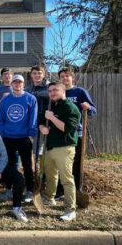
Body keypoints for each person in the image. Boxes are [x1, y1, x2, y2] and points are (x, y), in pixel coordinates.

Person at [39, 81, 81, 221]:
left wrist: (52, 118)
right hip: (50, 147)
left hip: (65, 147)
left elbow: (67, 128)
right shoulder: (51, 106)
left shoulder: (71, 108)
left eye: (55, 90)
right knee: (51, 175)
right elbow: (41, 121)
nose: (52, 93)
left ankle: (70, 209)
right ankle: (49, 198)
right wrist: (42, 128)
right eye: (50, 91)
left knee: (67, 179)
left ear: (63, 91)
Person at [56, 67, 97, 199]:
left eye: (67, 76)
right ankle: (61, 191)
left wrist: (88, 107)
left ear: (72, 78)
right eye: (62, 76)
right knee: (61, 163)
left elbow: (93, 110)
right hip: (60, 133)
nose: (64, 78)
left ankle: (76, 189)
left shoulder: (80, 92)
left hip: (77, 133)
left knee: (76, 163)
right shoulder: (58, 92)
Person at [0, 74, 38, 203]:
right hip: (8, 137)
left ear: (23, 84)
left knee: (27, 165)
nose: (17, 84)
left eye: (20, 82)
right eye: (15, 82)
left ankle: (29, 190)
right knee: (9, 165)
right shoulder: (5, 100)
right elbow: (1, 119)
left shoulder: (30, 99)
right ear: (11, 84)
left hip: (24, 137)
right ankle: (9, 189)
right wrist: (2, 134)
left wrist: (31, 135)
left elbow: (33, 118)